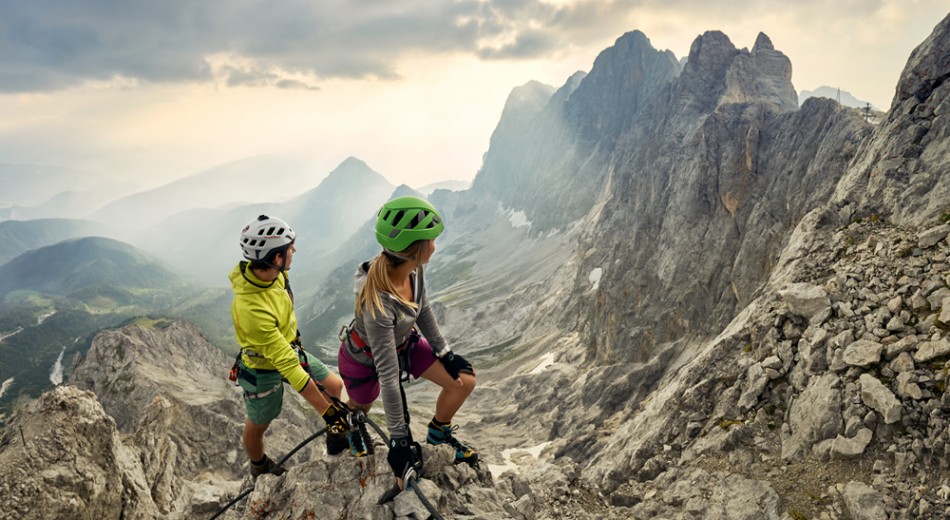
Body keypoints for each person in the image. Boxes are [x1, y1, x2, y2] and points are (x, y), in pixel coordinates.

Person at [337, 196, 477, 486]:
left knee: (463, 381)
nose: (435, 246)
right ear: (415, 247)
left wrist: (445, 353)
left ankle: (439, 433)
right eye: (431, 240)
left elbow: (422, 310)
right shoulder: (377, 303)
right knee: (362, 405)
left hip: (404, 345)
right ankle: (350, 424)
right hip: (363, 357)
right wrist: (399, 441)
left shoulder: (414, 271)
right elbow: (389, 379)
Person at [229, 215, 357, 479]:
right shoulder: (250, 308)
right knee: (258, 424)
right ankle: (259, 465)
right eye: (289, 248)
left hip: (289, 348)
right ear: (276, 258)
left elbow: (289, 357)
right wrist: (328, 412)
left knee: (334, 386)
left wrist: (331, 413)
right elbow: (287, 365)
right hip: (261, 368)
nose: (295, 250)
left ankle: (336, 441)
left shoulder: (274, 274)